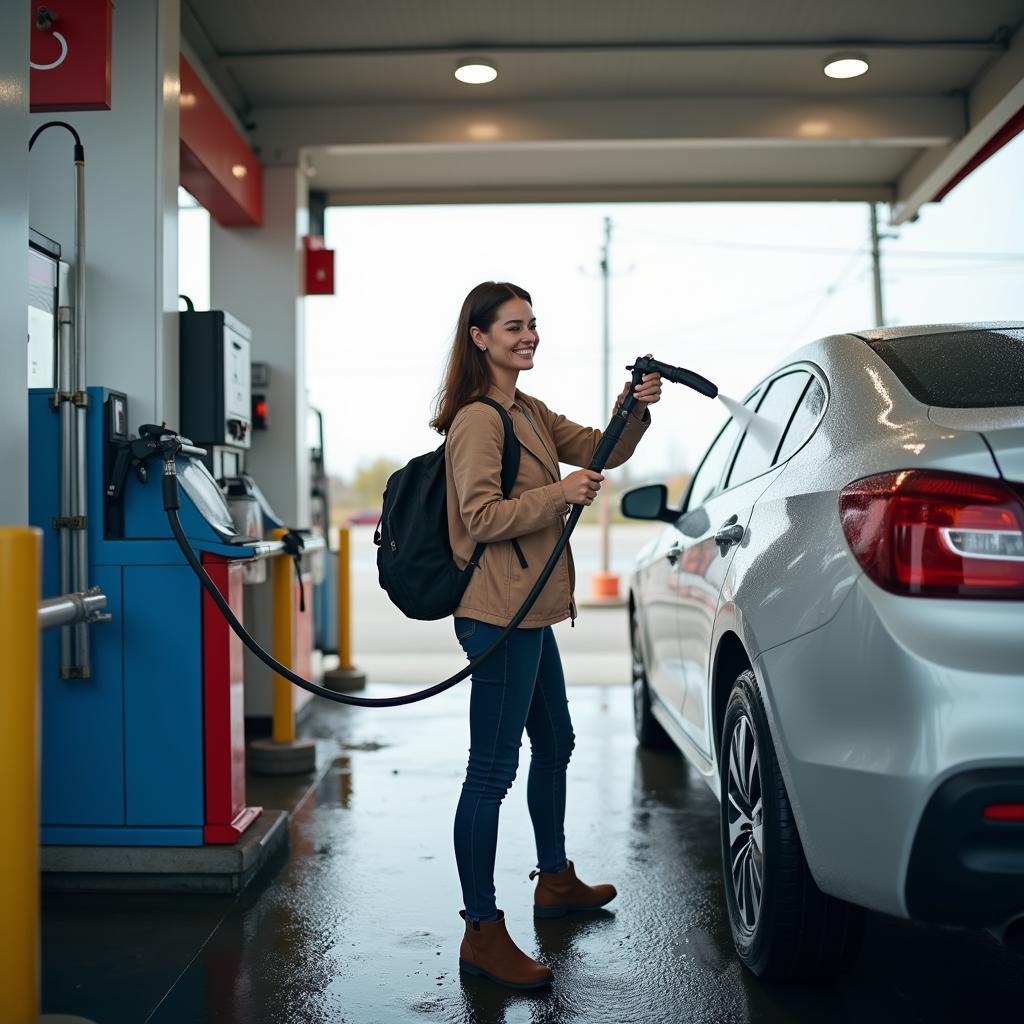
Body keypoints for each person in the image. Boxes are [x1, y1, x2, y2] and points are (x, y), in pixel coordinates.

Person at [430, 281, 661, 989]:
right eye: (511, 327)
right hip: (497, 614)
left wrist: (634, 407)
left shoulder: (526, 409)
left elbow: (600, 448)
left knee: (554, 741)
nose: (527, 336)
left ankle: (554, 880)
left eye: (532, 324)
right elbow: (479, 517)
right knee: (491, 772)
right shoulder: (478, 419)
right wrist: (557, 494)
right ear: (479, 337)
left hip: (528, 611)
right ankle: (481, 931)